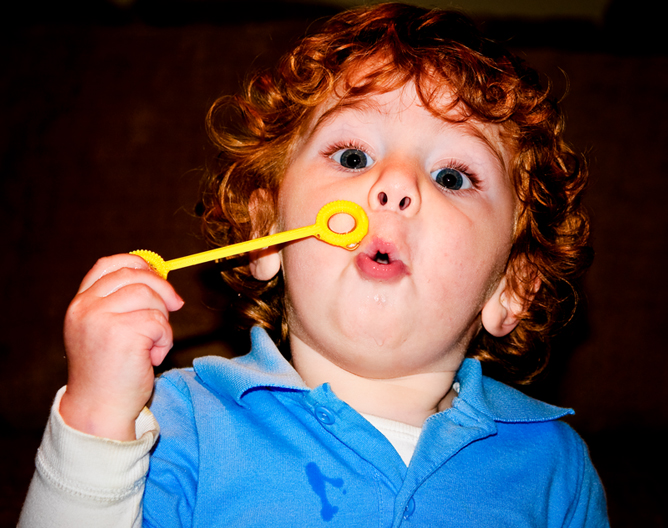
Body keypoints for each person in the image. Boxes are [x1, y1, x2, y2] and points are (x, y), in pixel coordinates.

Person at [19, 3, 609, 526]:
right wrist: (97, 419)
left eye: (451, 176)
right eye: (353, 156)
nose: (394, 185)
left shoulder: (553, 466)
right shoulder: (178, 424)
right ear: (265, 236)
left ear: (513, 286)